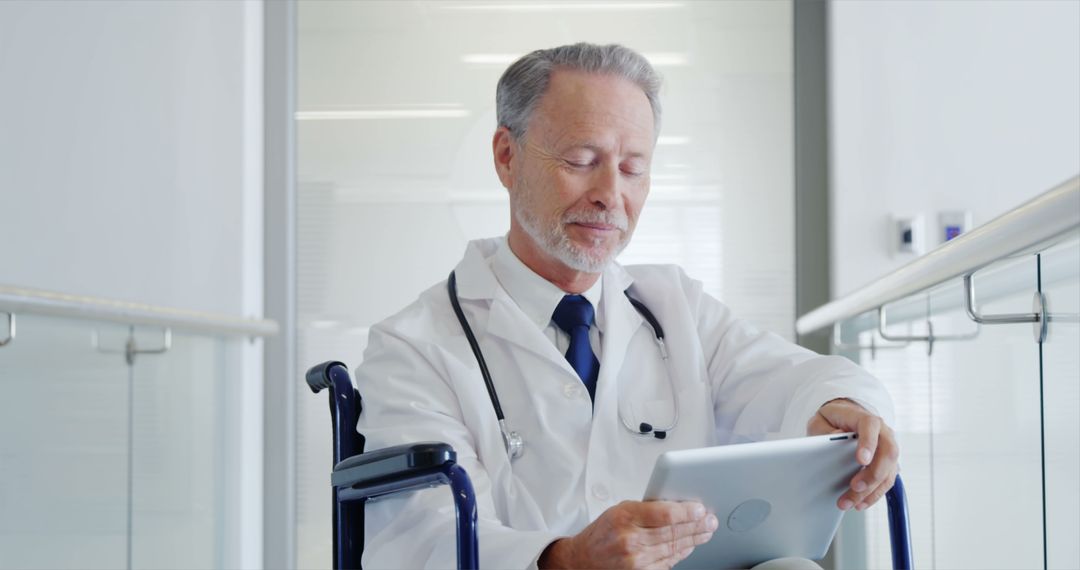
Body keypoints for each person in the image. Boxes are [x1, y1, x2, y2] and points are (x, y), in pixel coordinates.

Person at [355, 43, 898, 570]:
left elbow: (802, 380)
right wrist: (563, 560)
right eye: (581, 160)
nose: (610, 194)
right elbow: (420, 538)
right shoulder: (414, 346)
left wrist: (843, 406)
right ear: (506, 156)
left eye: (633, 168)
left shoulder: (673, 306)